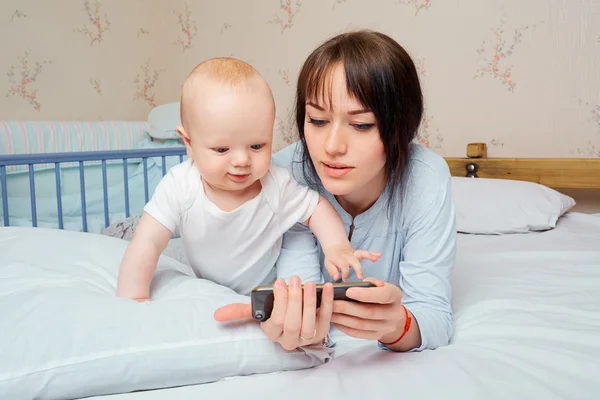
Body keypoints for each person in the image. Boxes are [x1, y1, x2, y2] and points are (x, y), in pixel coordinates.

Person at [214, 30, 456, 353]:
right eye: (317, 120)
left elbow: (434, 315)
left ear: (400, 128)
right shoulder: (286, 173)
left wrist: (398, 325)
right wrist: (306, 331)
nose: (330, 147)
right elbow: (301, 287)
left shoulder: (426, 179)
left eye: (361, 125)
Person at [115, 57, 380, 301]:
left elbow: (317, 209)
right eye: (222, 149)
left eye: (257, 146)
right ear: (189, 142)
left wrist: (336, 247)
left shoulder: (275, 184)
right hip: (205, 287)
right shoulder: (180, 185)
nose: (242, 161)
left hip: (264, 294)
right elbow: (148, 241)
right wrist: (134, 297)